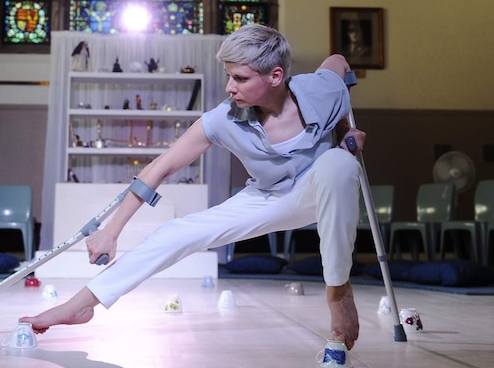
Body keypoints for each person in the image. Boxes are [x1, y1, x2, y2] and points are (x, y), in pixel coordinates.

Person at [21, 24, 367, 350]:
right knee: (175, 232)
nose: (230, 87)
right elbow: (160, 168)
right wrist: (112, 231)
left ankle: (337, 290)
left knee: (339, 164)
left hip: (320, 188)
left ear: (276, 76)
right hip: (265, 197)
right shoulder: (223, 118)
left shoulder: (319, 89)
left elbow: (338, 62)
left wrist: (346, 130)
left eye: (241, 78)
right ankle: (82, 305)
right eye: (228, 76)